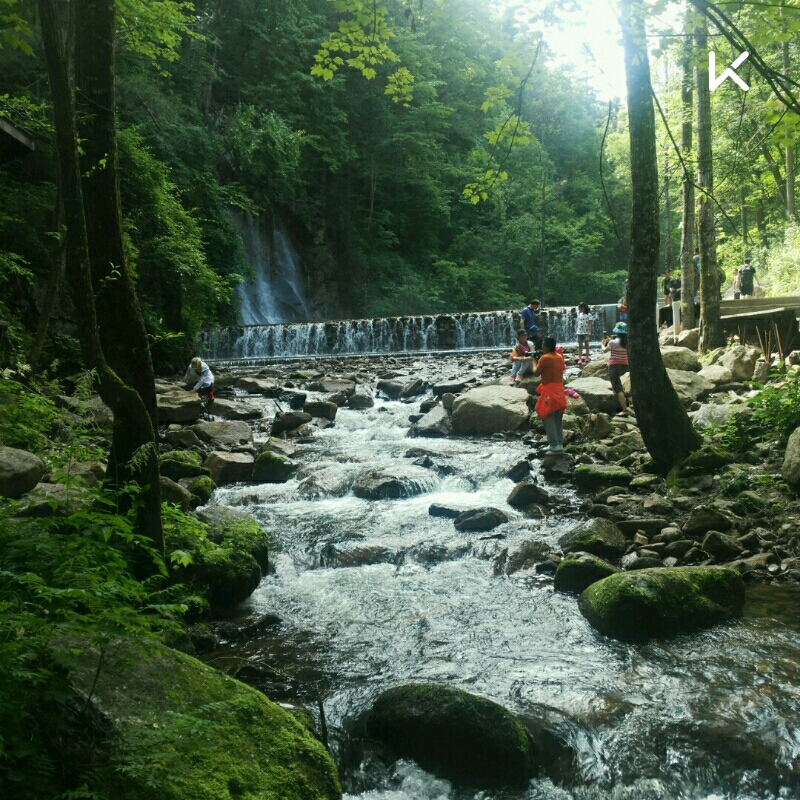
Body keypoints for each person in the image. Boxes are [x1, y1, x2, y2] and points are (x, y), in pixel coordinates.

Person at [532, 336, 567, 452]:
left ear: (546, 346)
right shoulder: (559, 357)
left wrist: (533, 361)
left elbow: (536, 373)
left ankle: (553, 444)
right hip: (559, 390)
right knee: (557, 418)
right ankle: (560, 444)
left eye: (542, 345)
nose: (541, 347)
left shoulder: (544, 358)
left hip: (549, 392)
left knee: (548, 417)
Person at [601, 322, 629, 416]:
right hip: (625, 366)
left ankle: (625, 410)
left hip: (614, 366)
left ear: (617, 332)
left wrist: (603, 344)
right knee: (618, 384)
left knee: (618, 388)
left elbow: (604, 350)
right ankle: (615, 389)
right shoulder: (628, 342)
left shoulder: (612, 343)